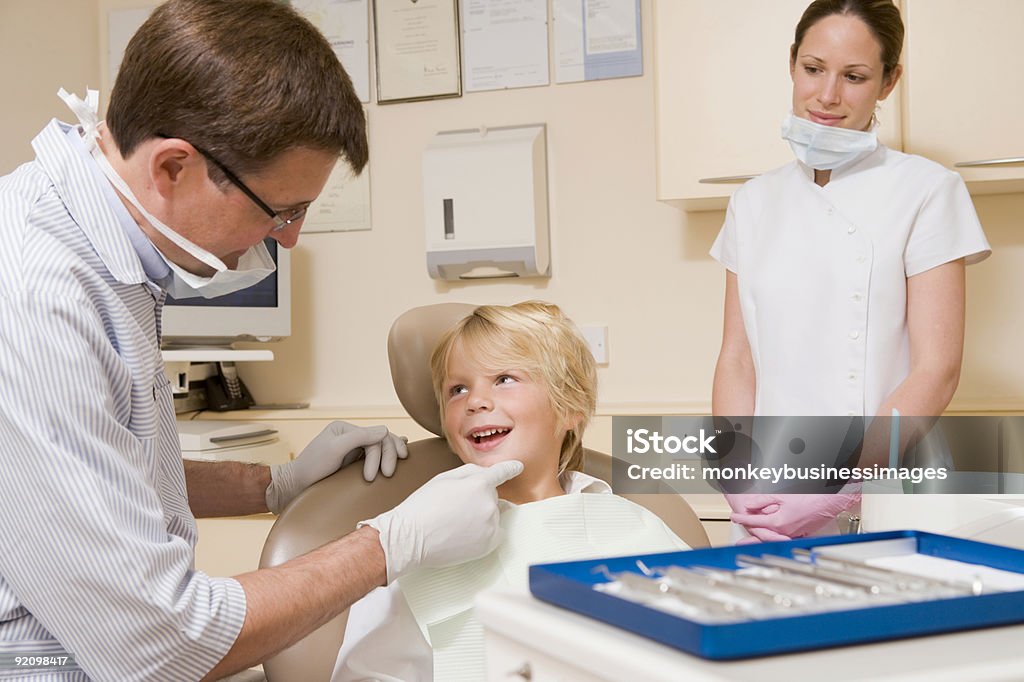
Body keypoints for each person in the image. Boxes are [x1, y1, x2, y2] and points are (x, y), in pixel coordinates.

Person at [0, 2, 521, 680]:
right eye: (281, 210)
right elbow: (156, 645)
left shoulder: (105, 246)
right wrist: (390, 545)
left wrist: (272, 486)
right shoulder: (39, 297)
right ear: (173, 169)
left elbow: (92, 478)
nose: (290, 238)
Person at [710, 0, 991, 543]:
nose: (828, 95)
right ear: (792, 64)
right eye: (813, 68)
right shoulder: (752, 201)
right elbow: (736, 358)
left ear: (889, 82)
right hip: (768, 496)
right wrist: (736, 478)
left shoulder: (927, 191)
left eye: (855, 76)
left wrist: (840, 489)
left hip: (883, 488)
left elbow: (937, 370)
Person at [333, 302, 690, 682]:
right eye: (457, 389)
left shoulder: (635, 526)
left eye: (504, 378)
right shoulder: (417, 548)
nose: (475, 401)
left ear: (569, 408)